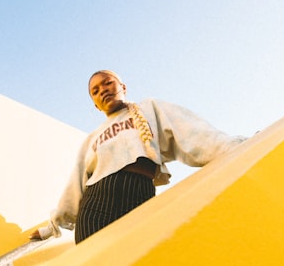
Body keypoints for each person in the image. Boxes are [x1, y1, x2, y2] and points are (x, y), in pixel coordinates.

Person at [30, 70, 247, 244]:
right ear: (95, 105)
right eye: (95, 91)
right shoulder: (92, 139)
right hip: (94, 207)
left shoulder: (150, 109)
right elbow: (75, 184)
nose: (103, 90)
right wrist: (52, 228)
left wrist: (233, 145)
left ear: (122, 87)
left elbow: (192, 133)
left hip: (138, 193)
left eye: (107, 83)